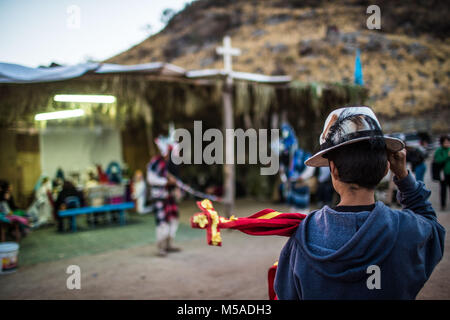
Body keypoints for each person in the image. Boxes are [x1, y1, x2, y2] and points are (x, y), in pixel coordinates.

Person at [274, 106, 445, 299]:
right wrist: (403, 176)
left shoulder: (303, 236)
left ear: (334, 170)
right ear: (385, 169)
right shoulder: (409, 230)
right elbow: (434, 229)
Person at [147, 134, 180, 257]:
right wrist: (166, 181)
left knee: (173, 219)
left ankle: (169, 244)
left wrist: (175, 186)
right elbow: (151, 179)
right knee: (162, 222)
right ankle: (161, 247)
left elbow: (173, 178)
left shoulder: (170, 163)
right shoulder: (155, 162)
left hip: (169, 196)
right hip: (159, 196)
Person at [434, 135, 450, 211]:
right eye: (445, 142)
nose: (447, 144)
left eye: (448, 142)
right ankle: (443, 205)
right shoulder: (439, 151)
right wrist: (447, 156)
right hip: (443, 173)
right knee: (443, 190)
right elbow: (438, 160)